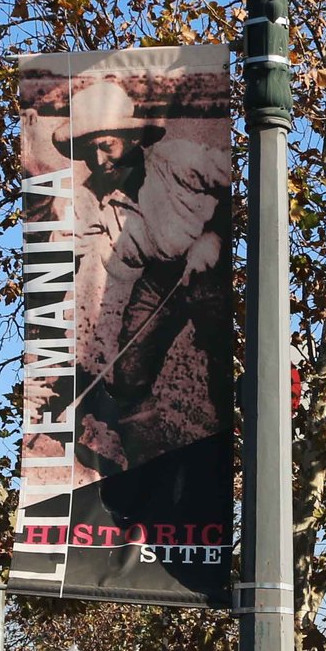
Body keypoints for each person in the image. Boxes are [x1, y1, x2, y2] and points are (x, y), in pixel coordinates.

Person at [47, 77, 234, 470]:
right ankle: (148, 464)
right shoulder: (101, 200)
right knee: (129, 372)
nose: (98, 159)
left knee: (223, 361)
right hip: (160, 277)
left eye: (106, 145)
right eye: (88, 150)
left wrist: (213, 236)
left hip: (211, 270)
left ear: (130, 139)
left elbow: (239, 190)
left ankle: (227, 451)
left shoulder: (180, 159)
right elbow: (104, 259)